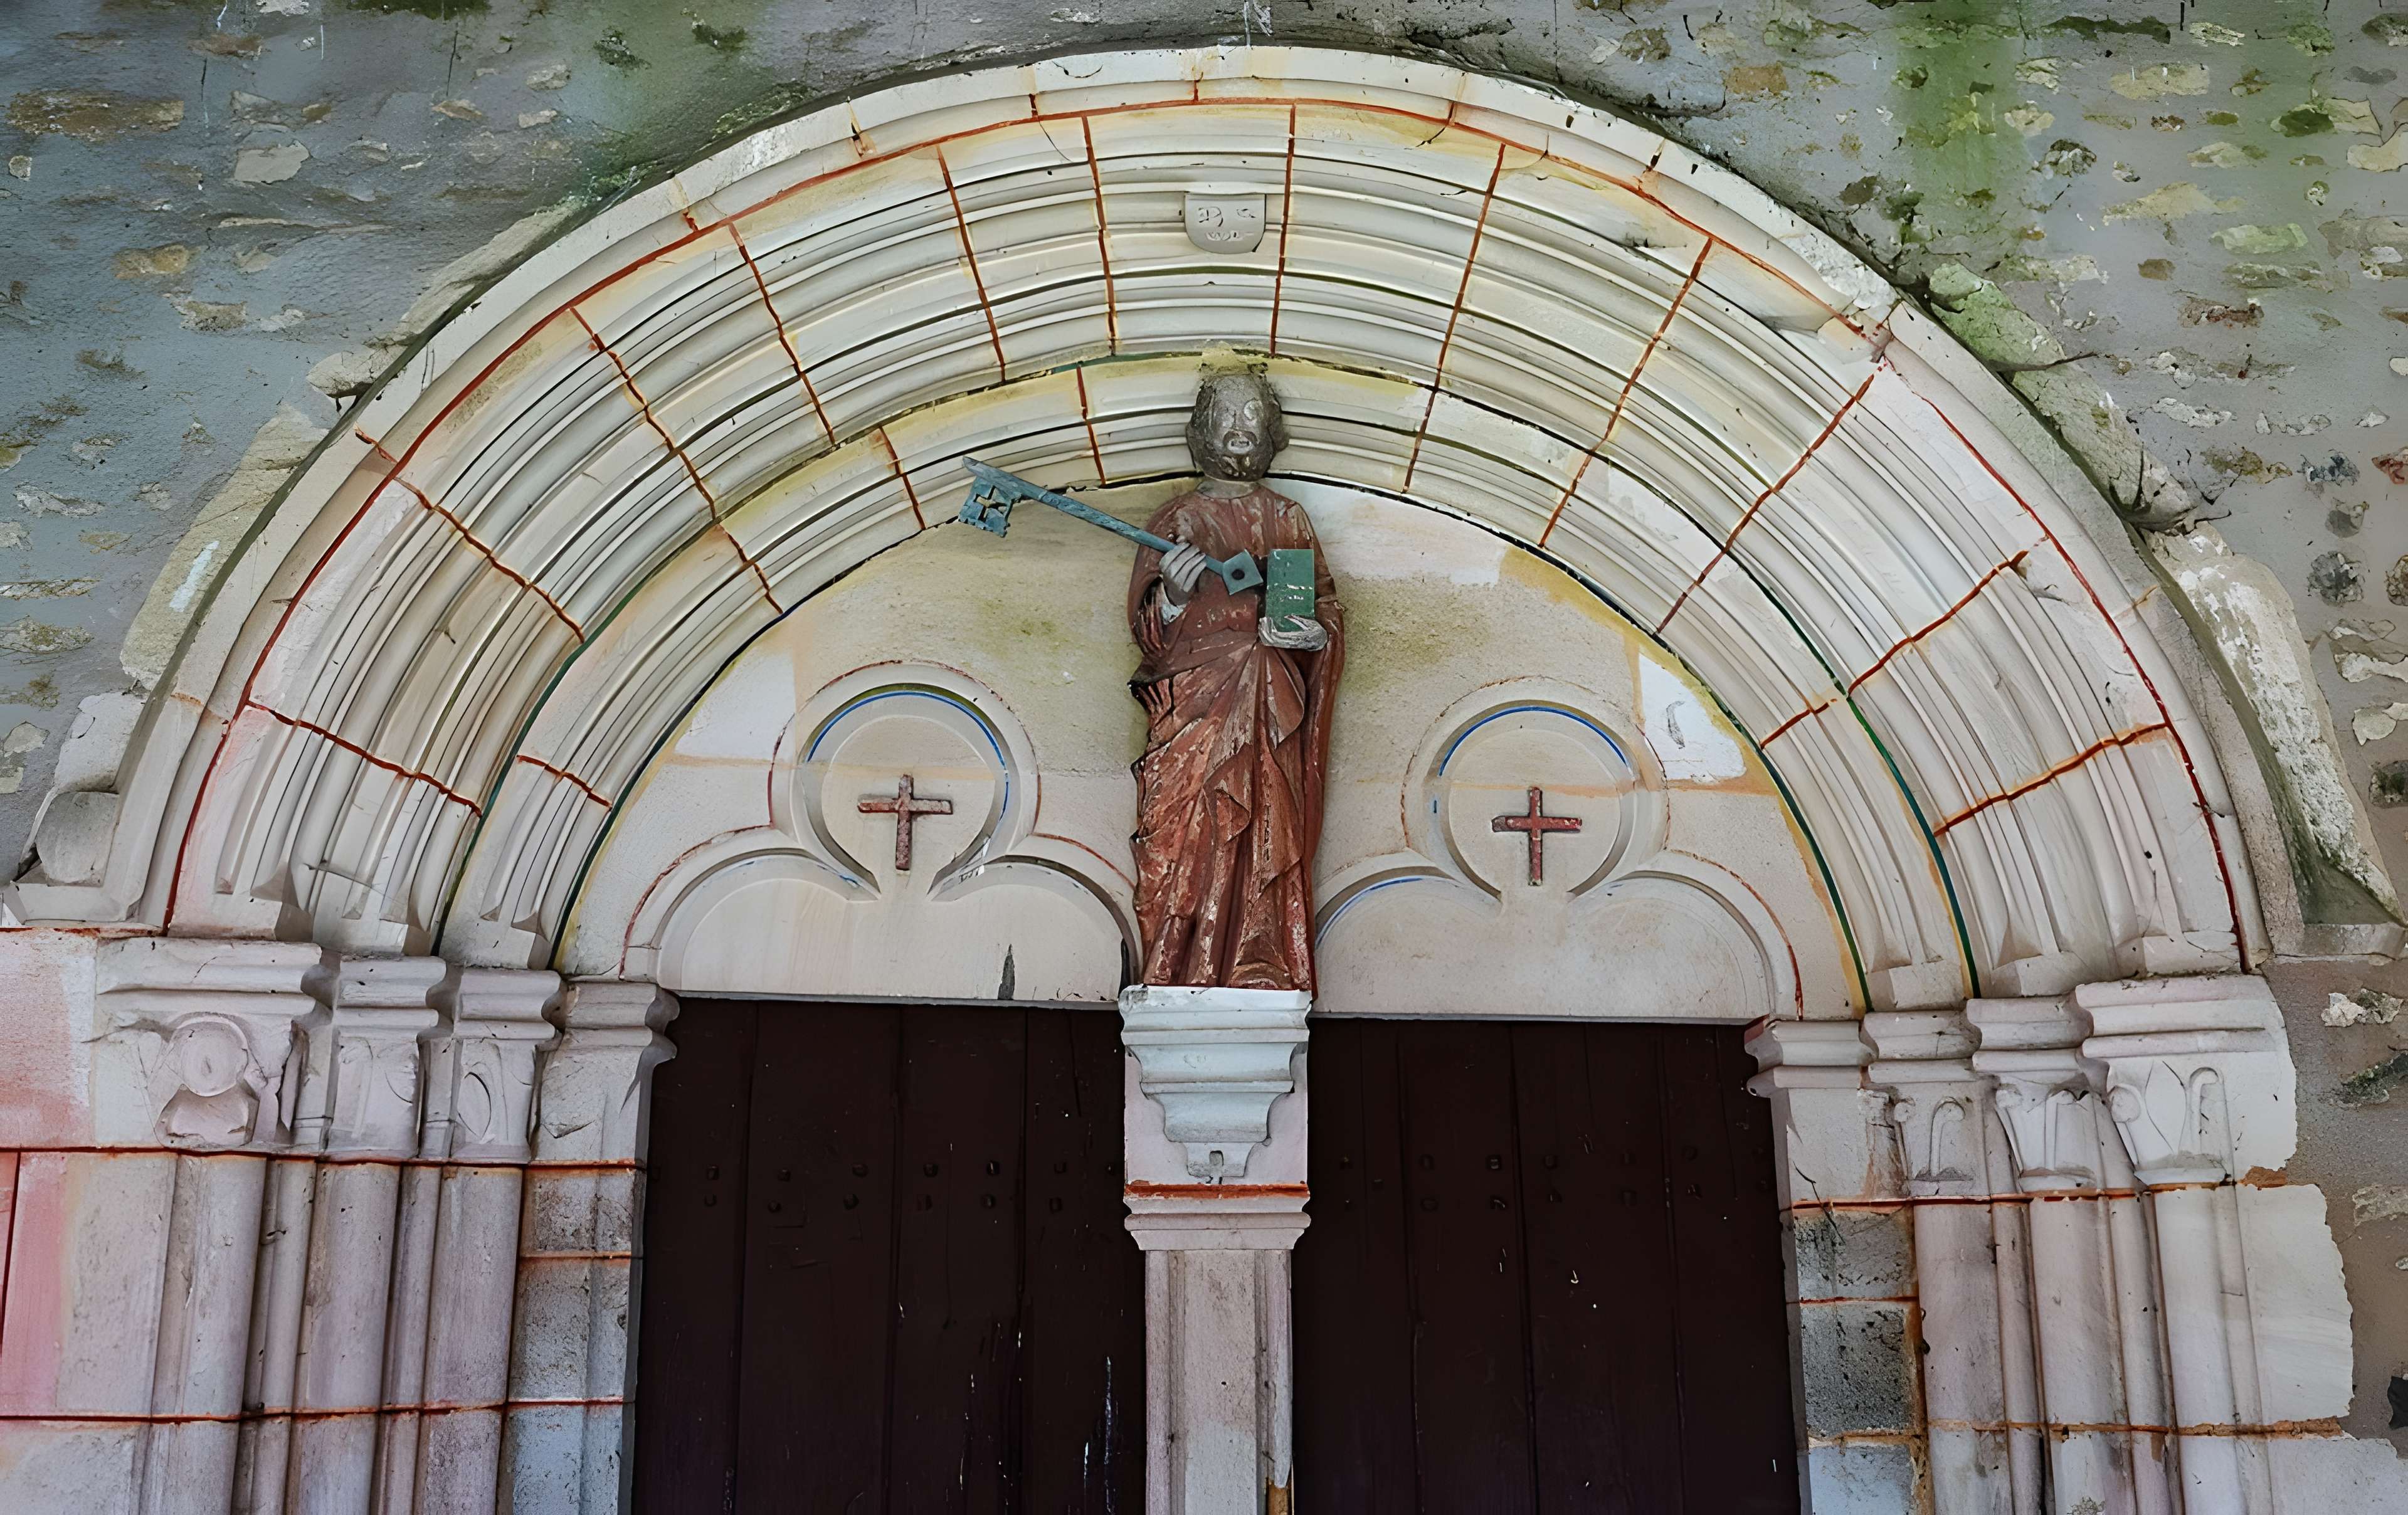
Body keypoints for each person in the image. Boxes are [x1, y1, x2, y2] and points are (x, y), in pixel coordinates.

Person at [1126, 372, 1344, 993]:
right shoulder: (1175, 519)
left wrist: (1314, 638)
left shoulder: (1286, 518)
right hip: (1194, 712)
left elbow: (1322, 608)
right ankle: (1177, 962)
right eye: (1227, 411)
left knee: (1264, 826)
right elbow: (1149, 634)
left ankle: (1258, 955)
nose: (1241, 422)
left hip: (1271, 707)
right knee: (1184, 831)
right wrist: (1170, 593)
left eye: (1254, 410)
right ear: (1203, 427)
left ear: (1271, 427)